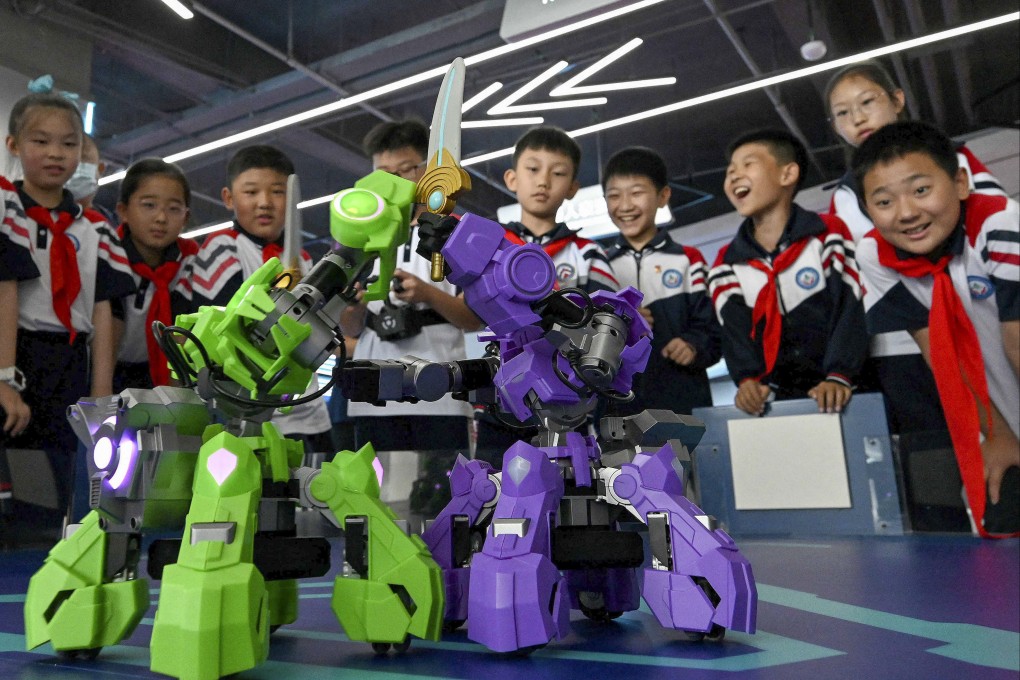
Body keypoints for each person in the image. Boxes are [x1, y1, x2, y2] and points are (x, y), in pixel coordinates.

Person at [852, 120, 1019, 537]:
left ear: (960, 182)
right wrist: (998, 435)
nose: (907, 212)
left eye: (921, 190)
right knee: (1001, 526)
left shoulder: (1000, 223)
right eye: (884, 201)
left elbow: (1017, 342)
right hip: (1000, 416)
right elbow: (940, 354)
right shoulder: (875, 254)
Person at [824, 59, 1007, 436]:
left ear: (897, 100)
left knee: (999, 430)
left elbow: (993, 232)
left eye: (867, 102)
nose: (857, 119)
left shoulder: (956, 160)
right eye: (843, 113)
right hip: (901, 346)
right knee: (937, 456)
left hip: (979, 322)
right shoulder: (844, 196)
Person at [0, 93, 134, 516]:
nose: (56, 154)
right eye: (40, 142)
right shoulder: (6, 209)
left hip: (70, 357)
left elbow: (104, 311)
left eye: (69, 144)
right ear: (14, 146)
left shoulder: (96, 227)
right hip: (14, 350)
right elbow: (5, 288)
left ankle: (44, 548)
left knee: (62, 474)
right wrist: (5, 377)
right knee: (15, 468)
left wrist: (100, 396)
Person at [339, 120, 481, 515]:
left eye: (406, 170)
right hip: (374, 385)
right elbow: (349, 329)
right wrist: (355, 304)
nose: (396, 182)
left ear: (427, 169)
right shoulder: (358, 237)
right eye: (383, 174)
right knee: (375, 500)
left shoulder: (456, 234)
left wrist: (426, 293)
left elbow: (473, 319)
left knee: (442, 501)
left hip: (440, 386)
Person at [474, 125, 619, 465]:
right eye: (533, 169)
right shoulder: (491, 247)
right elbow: (471, 310)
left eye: (558, 174)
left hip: (567, 398)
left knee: (573, 494)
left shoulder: (587, 252)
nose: (543, 181)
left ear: (572, 188)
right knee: (491, 491)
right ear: (511, 178)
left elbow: (604, 320)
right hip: (500, 391)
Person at [186, 144, 333, 457]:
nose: (265, 203)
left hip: (307, 412)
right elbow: (228, 328)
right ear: (229, 197)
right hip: (245, 408)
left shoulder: (304, 260)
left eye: (278, 192)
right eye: (251, 192)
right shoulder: (221, 249)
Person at [708, 129, 867, 417]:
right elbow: (735, 333)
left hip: (847, 391)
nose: (734, 175)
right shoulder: (726, 263)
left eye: (748, 164)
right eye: (730, 170)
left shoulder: (827, 234)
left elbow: (850, 307)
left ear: (787, 174)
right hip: (777, 403)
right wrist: (748, 381)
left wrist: (838, 375)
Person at [602, 146, 720, 416]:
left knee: (687, 459)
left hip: (683, 402)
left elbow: (713, 332)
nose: (625, 205)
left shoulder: (688, 259)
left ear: (663, 196)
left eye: (637, 192)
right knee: (617, 460)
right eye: (614, 195)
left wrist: (693, 345)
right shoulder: (600, 265)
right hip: (618, 408)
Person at [111, 158, 197, 391]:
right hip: (103, 369)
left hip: (160, 374)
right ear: (123, 210)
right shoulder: (108, 256)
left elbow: (184, 335)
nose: (161, 218)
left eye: (173, 209)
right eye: (149, 205)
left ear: (185, 218)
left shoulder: (192, 263)